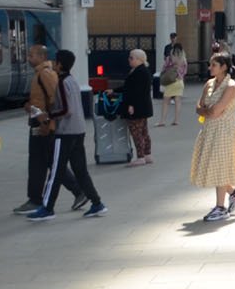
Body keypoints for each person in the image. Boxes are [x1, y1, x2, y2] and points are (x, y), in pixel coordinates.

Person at [28, 49, 106, 220]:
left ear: (60, 64)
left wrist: (47, 115)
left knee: (56, 171)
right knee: (80, 171)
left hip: (65, 133)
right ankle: (97, 203)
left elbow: (65, 110)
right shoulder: (73, 81)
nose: (52, 63)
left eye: (55, 61)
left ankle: (47, 208)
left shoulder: (62, 82)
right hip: (79, 131)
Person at [190, 52, 235, 222]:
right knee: (214, 164)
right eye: (210, 64)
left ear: (224, 67)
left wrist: (208, 111)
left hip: (225, 130)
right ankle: (234, 193)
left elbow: (216, 111)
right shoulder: (209, 84)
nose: (210, 68)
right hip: (209, 129)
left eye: (214, 65)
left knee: (220, 165)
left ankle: (220, 207)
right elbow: (199, 106)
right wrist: (207, 111)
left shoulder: (231, 86)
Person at [15, 44, 61, 214]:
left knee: (38, 163)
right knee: (47, 161)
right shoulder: (41, 73)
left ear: (41, 57)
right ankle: (79, 191)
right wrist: (31, 106)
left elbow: (55, 100)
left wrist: (46, 123)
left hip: (43, 125)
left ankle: (35, 200)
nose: (28, 58)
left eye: (31, 55)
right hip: (40, 123)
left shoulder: (45, 74)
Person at [121, 48, 155, 166]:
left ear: (139, 59)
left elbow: (137, 91)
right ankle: (147, 154)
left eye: (131, 58)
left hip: (137, 107)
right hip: (142, 107)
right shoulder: (141, 71)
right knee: (144, 131)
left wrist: (131, 105)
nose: (129, 60)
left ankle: (140, 157)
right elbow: (129, 88)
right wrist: (114, 90)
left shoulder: (139, 72)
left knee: (136, 132)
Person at [159, 43, 187, 125]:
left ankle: (162, 121)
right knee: (177, 101)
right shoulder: (184, 60)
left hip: (171, 82)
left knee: (165, 101)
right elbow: (185, 72)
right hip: (179, 81)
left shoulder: (169, 58)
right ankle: (176, 120)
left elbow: (164, 69)